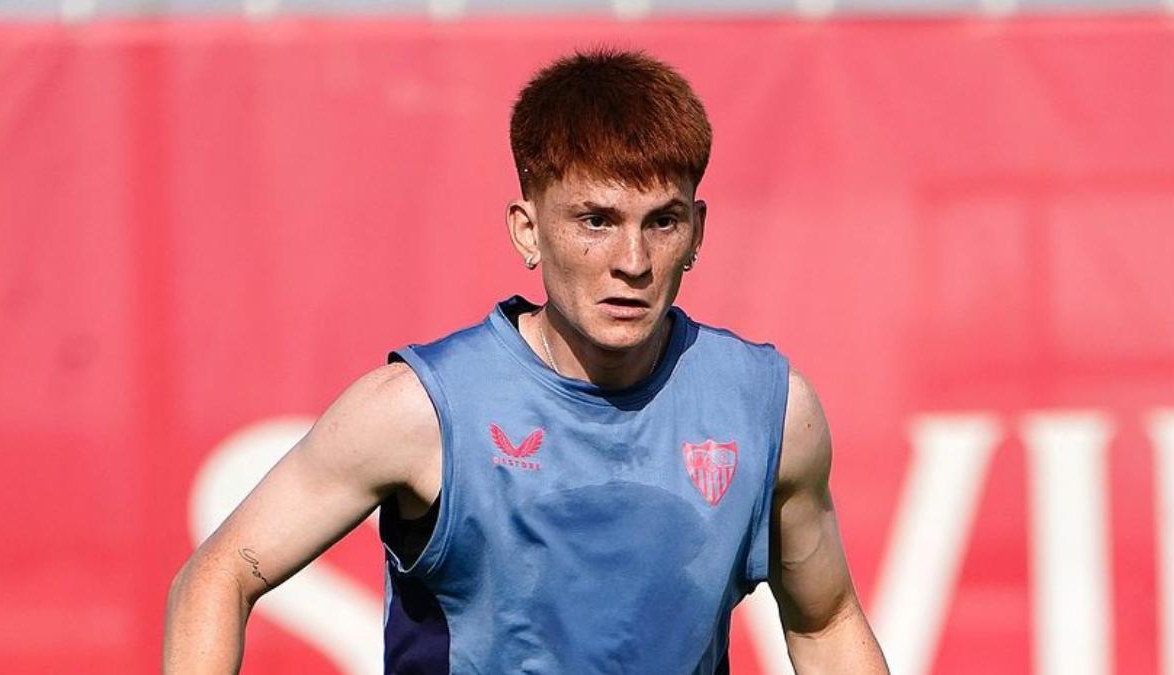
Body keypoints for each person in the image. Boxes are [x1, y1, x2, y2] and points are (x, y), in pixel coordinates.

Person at [164, 49, 888, 674]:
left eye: (661, 221)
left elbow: (825, 623)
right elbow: (217, 574)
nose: (631, 262)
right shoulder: (419, 412)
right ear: (527, 228)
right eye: (595, 221)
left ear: (696, 230)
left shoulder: (769, 409)